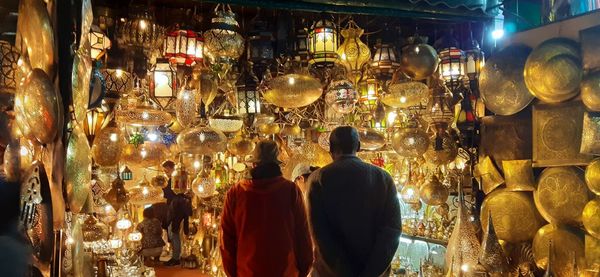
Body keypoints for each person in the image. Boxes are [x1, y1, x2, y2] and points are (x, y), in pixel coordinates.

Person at [306, 126, 402, 277]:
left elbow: (320, 235)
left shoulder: (317, 179)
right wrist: (371, 273)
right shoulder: (383, 177)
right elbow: (392, 232)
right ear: (358, 146)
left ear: (330, 148)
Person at [220, 140, 313, 277]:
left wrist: (233, 273)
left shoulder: (236, 193)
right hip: (285, 272)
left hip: (246, 272)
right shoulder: (290, 190)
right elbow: (302, 235)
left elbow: (226, 241)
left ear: (254, 164)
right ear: (277, 165)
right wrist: (303, 270)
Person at [164, 192, 192, 266]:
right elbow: (187, 215)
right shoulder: (185, 201)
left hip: (173, 221)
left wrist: (168, 222)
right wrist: (186, 230)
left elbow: (171, 212)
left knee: (175, 240)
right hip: (178, 222)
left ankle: (175, 258)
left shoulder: (176, 200)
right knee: (176, 240)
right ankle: (176, 257)